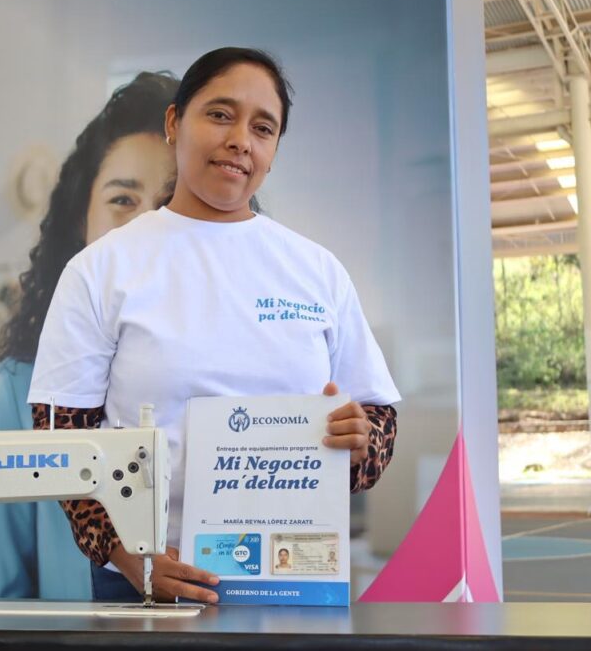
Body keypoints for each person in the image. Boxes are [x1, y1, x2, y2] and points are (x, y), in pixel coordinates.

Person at [26, 47, 400, 604]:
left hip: (294, 574)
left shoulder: (316, 271)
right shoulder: (101, 269)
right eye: (220, 115)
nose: (240, 140)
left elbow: (377, 419)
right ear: (174, 123)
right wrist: (128, 557)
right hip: (149, 579)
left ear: (274, 151)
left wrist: (360, 443)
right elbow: (61, 436)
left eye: (263, 128)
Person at [0, 72, 178, 600]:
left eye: (170, 204)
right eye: (123, 199)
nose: (145, 226)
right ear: (79, 222)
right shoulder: (20, 387)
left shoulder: (236, 374)